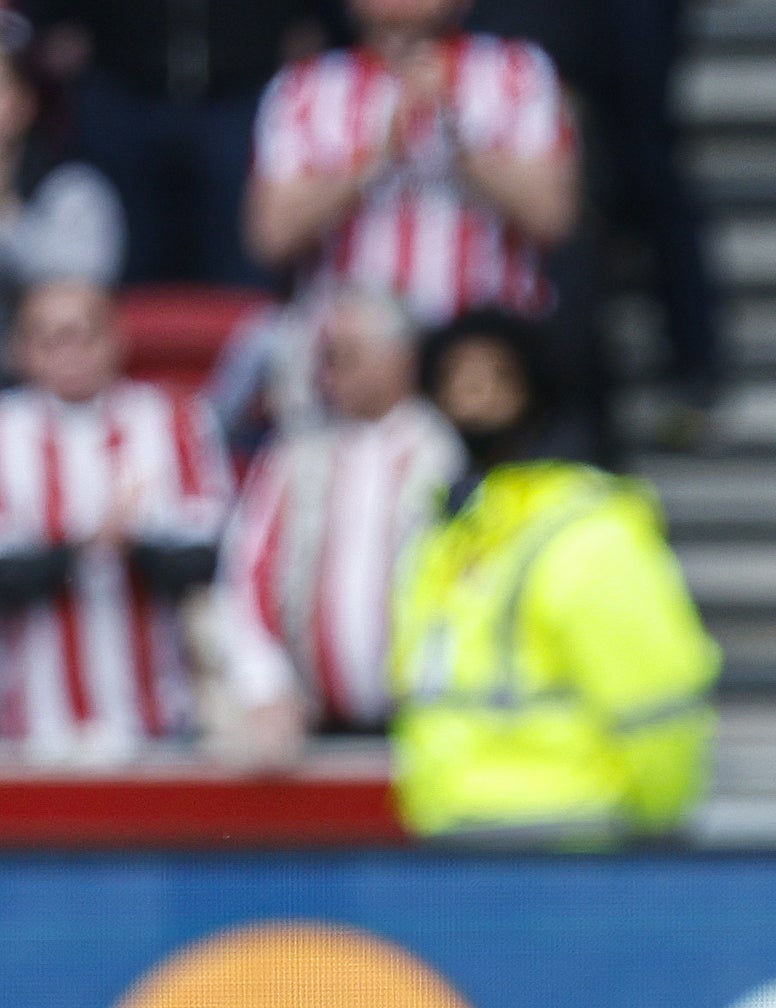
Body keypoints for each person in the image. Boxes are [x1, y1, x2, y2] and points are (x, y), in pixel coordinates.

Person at [390, 308, 718, 841]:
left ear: (534, 391)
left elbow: (657, 713)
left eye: (496, 377)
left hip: (573, 856)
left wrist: (656, 848)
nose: (473, 397)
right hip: (454, 852)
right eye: (454, 379)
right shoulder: (443, 535)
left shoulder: (586, 533)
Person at [210, 286, 462, 753]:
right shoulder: (295, 457)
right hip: (312, 725)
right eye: (325, 359)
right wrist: (265, 685)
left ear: (401, 359)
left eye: (345, 357)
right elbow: (246, 577)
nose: (328, 375)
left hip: (431, 722)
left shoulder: (448, 455)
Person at [0, 279, 231, 759]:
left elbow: (206, 558)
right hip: (30, 727)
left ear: (114, 339)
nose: (67, 353)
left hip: (156, 719)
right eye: (48, 338)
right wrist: (87, 545)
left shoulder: (174, 421)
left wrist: (134, 543)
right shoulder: (8, 432)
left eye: (81, 335)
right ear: (21, 349)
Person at [244, 0, 579, 325]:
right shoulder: (304, 87)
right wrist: (376, 162)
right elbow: (270, 237)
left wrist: (459, 147)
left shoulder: (517, 72)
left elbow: (554, 217)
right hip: (348, 351)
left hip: (483, 342)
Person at [34, 0, 323, 286]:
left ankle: (250, 333)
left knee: (242, 269)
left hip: (243, 89)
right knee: (121, 263)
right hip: (124, 83)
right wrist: (52, 18)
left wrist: (316, 19)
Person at [0, 18, 122, 336]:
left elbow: (77, 293)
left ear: (25, 104)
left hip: (39, 380)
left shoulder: (75, 191)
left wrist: (5, 211)